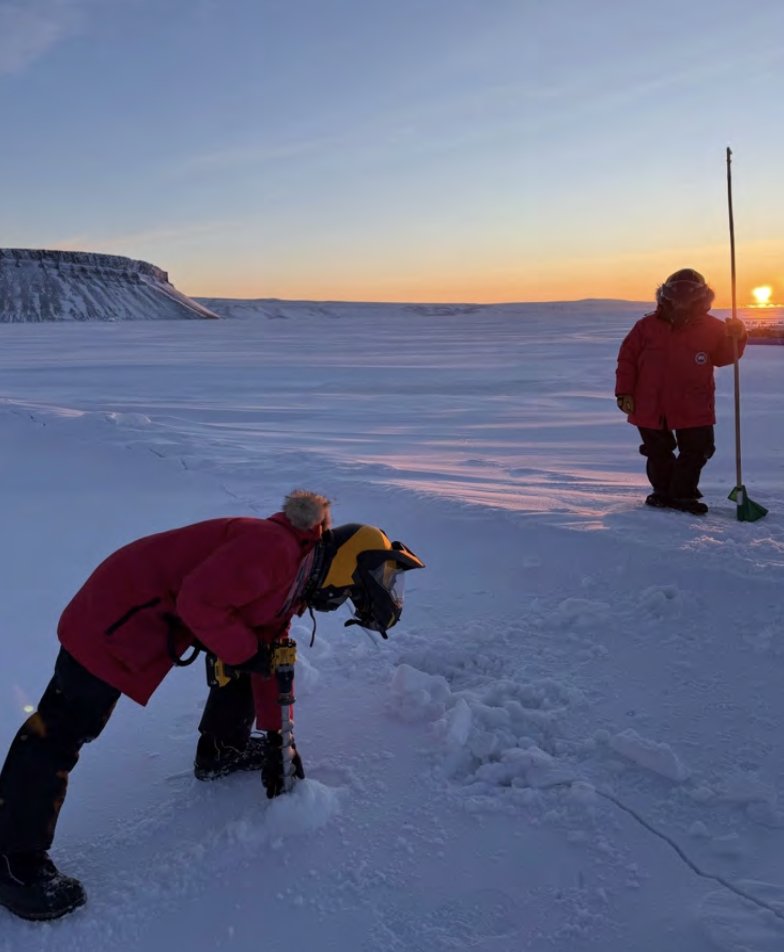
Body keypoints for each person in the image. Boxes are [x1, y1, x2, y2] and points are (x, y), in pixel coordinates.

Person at [0, 489, 424, 921]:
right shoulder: (275, 550)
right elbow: (198, 603)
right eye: (348, 592)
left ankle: (222, 748)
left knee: (247, 652)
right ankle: (13, 862)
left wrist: (280, 738)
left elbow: (270, 651)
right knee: (59, 733)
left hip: (138, 616)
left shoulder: (296, 570)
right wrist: (249, 653)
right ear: (343, 570)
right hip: (115, 614)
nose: (338, 601)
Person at [615, 268, 747, 514]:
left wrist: (736, 338)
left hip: (693, 402)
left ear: (701, 296)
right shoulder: (646, 326)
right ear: (665, 294)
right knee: (658, 451)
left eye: (688, 292)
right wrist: (624, 393)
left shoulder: (713, 328)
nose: (681, 299)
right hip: (650, 403)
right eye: (675, 292)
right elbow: (627, 360)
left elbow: (723, 357)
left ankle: (680, 493)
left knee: (698, 449)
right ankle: (664, 493)